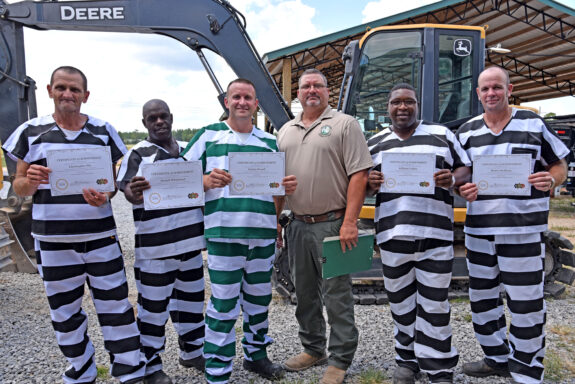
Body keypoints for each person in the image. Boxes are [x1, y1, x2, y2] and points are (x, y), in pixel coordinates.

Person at [2, 66, 145, 384]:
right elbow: (20, 185)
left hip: (100, 237)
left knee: (116, 304)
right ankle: (81, 367)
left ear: (86, 95)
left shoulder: (103, 130)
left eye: (75, 89)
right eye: (62, 87)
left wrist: (103, 195)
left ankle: (127, 366)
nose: (68, 94)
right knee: (64, 310)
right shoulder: (30, 132)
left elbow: (108, 184)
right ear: (50, 90)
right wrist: (31, 181)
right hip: (53, 241)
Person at [455, 66, 569, 384]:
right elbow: (460, 178)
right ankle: (496, 357)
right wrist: (460, 188)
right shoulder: (467, 131)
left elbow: (559, 164)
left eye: (497, 87)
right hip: (479, 230)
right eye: (485, 89)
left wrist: (553, 179)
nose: (491, 93)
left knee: (526, 299)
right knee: (482, 298)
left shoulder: (533, 124)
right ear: (478, 94)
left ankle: (528, 367)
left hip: (522, 228)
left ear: (509, 89)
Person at [180, 78, 297, 384]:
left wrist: (276, 218)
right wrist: (205, 182)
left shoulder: (269, 143)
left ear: (256, 104)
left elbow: (276, 191)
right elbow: (178, 177)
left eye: (248, 97)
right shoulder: (209, 136)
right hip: (224, 233)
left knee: (258, 300)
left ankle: (256, 356)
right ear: (226, 102)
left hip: (260, 234)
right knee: (223, 301)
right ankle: (218, 369)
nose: (242, 102)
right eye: (237, 97)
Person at [366, 83, 470, 384]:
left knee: (435, 302)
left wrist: (452, 177)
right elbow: (364, 184)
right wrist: (372, 182)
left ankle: (439, 367)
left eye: (408, 102)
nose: (402, 107)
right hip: (392, 234)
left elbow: (466, 169)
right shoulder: (375, 144)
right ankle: (407, 361)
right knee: (401, 303)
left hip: (435, 233)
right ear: (387, 107)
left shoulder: (442, 136)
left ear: (417, 105)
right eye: (396, 102)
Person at [277, 68, 373, 384]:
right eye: (306, 86)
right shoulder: (286, 130)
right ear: (298, 94)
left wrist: (349, 222)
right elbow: (277, 183)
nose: (312, 89)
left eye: (318, 84)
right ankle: (313, 348)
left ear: (327, 91)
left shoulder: (344, 124)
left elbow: (359, 174)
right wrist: (279, 222)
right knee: (304, 293)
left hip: (333, 224)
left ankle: (341, 358)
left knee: (337, 295)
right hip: (298, 225)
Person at [116, 100, 206, 384]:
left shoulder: (188, 151)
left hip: (191, 244)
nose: (159, 121)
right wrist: (136, 191)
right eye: (152, 118)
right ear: (144, 122)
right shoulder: (138, 154)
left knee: (191, 304)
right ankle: (152, 364)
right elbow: (128, 190)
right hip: (156, 249)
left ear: (171, 117)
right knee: (153, 310)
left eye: (163, 116)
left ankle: (193, 351)